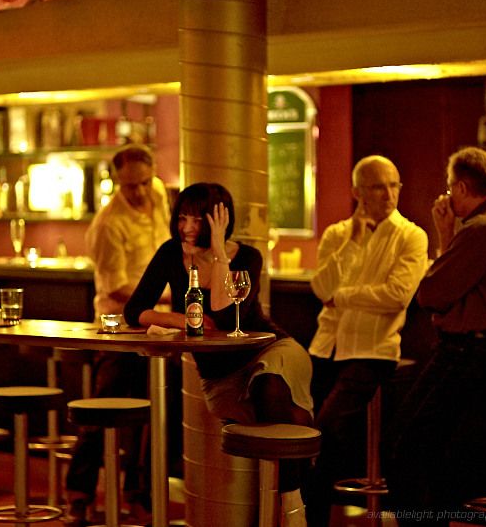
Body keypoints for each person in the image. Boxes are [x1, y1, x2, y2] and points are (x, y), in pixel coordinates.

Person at [124, 182, 315, 527]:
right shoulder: (170, 253)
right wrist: (181, 319)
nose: (187, 227)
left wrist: (218, 252)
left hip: (271, 349)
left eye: (198, 220)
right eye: (182, 218)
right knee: (285, 417)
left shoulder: (248, 257)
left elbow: (224, 312)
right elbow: (134, 310)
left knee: (269, 386)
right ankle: (298, 491)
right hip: (221, 374)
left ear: (218, 221)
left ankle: (292, 508)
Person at [385, 146, 486, 522]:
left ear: (462, 187)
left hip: (468, 353)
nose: (448, 196)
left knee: (404, 446)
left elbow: (431, 294)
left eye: (450, 187)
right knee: (436, 450)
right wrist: (447, 234)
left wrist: (447, 235)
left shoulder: (482, 228)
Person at [303, 156, 428, 526]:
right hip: (325, 346)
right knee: (304, 437)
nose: (389, 194)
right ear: (358, 192)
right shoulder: (337, 235)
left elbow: (397, 296)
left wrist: (342, 297)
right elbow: (320, 288)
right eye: (378, 186)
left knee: (325, 435)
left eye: (394, 185)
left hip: (372, 351)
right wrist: (354, 244)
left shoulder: (411, 236)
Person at [64, 144, 172, 526]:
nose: (140, 192)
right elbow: (118, 287)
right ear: (116, 182)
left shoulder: (158, 195)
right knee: (101, 411)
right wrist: (172, 297)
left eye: (144, 182)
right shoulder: (108, 223)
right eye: (130, 186)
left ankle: (138, 495)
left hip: (157, 327)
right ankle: (79, 494)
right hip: (118, 328)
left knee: (150, 414)